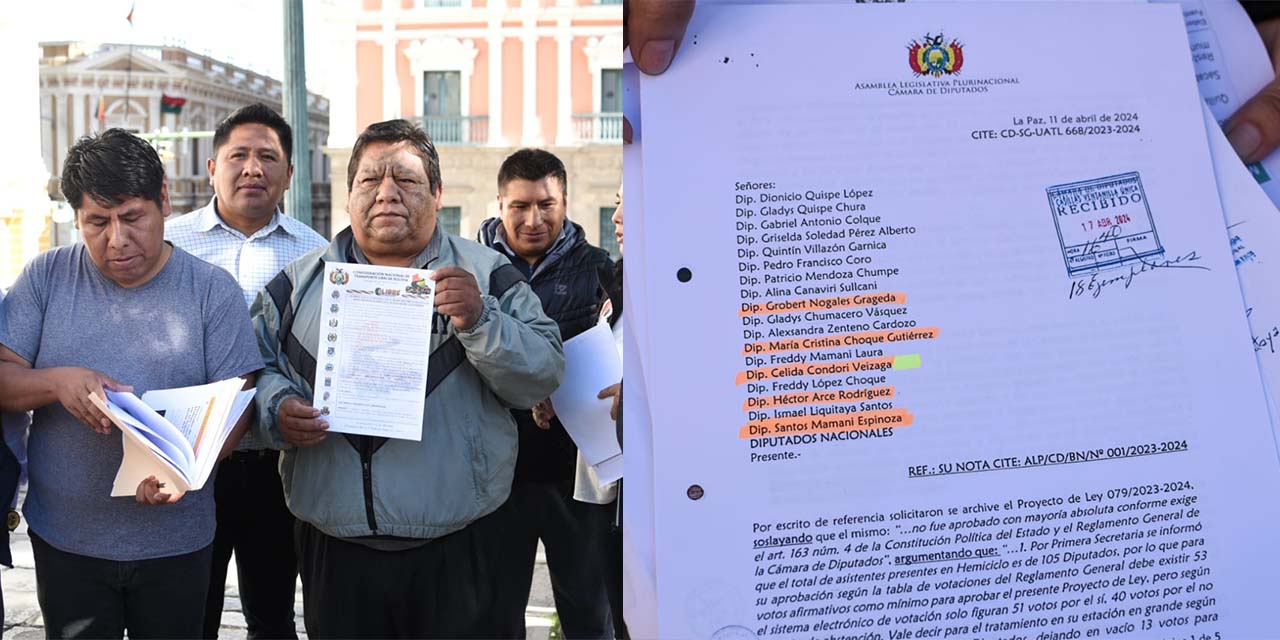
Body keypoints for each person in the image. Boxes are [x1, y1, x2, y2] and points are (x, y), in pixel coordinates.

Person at [252, 119, 564, 638]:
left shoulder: (487, 274)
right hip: (336, 550)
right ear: (349, 194)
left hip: (463, 546)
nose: (387, 194)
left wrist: (481, 320)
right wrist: (276, 409)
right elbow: (252, 369)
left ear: (438, 193)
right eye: (370, 180)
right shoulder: (296, 285)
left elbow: (542, 373)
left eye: (407, 180)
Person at [0, 129, 263, 638]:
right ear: (75, 218)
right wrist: (57, 383)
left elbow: (238, 403)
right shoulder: (46, 278)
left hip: (177, 543)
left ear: (163, 199)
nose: (117, 239)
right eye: (96, 223)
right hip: (67, 541)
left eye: (132, 217)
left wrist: (185, 469)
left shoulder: (212, 292)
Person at [166, 103, 327, 640]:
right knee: (189, 612)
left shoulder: (317, 255)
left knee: (273, 614)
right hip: (189, 458)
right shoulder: (168, 245)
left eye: (267, 157)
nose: (253, 168)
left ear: (288, 174)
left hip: (277, 463)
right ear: (213, 167)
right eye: (239, 155)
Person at [575, 185, 624, 638]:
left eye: (631, 202)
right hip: (608, 489)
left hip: (658, 498)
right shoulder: (620, 282)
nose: (617, 217)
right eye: (616, 201)